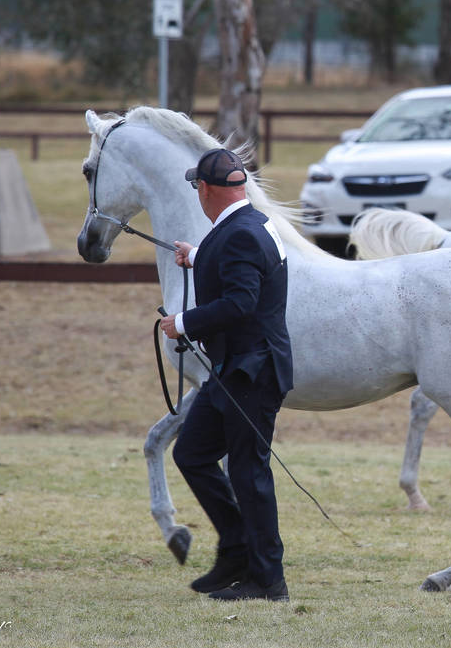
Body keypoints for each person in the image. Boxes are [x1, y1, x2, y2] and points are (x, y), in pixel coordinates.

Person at [158, 147, 293, 601]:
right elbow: (243, 264)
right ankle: (236, 551)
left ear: (206, 189)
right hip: (235, 369)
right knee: (193, 453)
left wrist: (184, 322)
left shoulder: (237, 236)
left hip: (251, 373)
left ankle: (267, 580)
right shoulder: (247, 223)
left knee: (249, 472)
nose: (197, 192)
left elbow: (241, 302)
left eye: (197, 186)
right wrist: (199, 256)